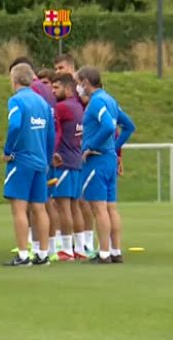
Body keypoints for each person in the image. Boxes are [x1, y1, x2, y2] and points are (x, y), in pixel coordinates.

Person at [76, 66, 135, 264]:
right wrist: (115, 148)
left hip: (97, 160)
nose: (78, 88)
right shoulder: (110, 100)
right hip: (108, 159)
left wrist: (91, 145)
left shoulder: (96, 102)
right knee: (111, 208)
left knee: (98, 208)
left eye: (78, 83)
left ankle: (103, 253)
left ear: (85, 83)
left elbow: (109, 126)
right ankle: (116, 250)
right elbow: (128, 126)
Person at [3, 63, 56, 267]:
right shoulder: (43, 102)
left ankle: (23, 254)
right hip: (40, 161)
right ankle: (43, 254)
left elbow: (15, 124)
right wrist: (48, 156)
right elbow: (51, 133)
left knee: (19, 209)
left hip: (21, 160)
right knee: (39, 208)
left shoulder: (16, 100)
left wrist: (8, 151)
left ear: (14, 80)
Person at [50, 73, 86, 261]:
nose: (52, 91)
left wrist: (51, 153)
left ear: (68, 88)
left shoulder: (62, 107)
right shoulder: (78, 107)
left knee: (62, 206)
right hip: (77, 160)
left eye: (56, 88)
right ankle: (79, 248)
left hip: (63, 161)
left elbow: (56, 133)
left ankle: (65, 249)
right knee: (74, 207)